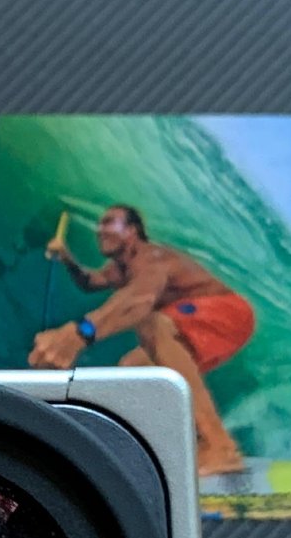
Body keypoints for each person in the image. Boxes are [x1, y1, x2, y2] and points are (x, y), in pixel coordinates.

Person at [26, 203, 257, 481]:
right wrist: (67, 259)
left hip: (227, 312)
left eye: (110, 222)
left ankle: (221, 447)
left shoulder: (152, 257)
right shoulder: (118, 269)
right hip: (195, 323)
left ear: (132, 231)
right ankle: (191, 443)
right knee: (133, 368)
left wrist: (80, 333)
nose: (100, 229)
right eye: (100, 223)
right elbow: (90, 282)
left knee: (152, 324)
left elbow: (140, 300)